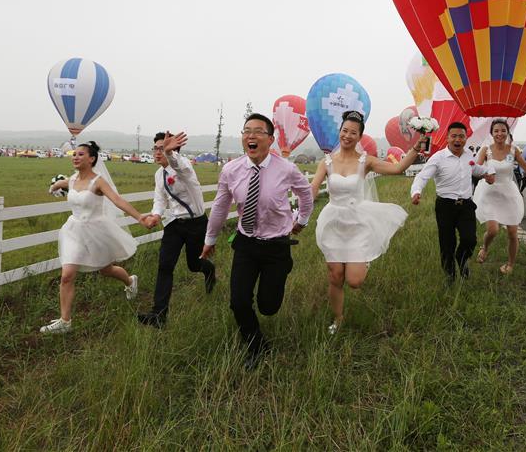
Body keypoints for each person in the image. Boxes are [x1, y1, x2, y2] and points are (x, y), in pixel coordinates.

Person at [201, 113, 313, 370]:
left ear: (270, 139)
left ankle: (281, 273)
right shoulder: (231, 170)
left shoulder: (286, 169)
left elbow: (305, 194)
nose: (250, 136)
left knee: (269, 306)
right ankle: (256, 346)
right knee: (238, 302)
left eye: (258, 131)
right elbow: (219, 206)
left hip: (277, 245)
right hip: (246, 243)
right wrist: (210, 238)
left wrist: (302, 220)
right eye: (246, 131)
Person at [309, 111, 428, 334]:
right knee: (335, 275)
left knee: (354, 281)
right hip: (333, 222)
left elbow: (398, 168)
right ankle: (338, 318)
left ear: (359, 136)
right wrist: (301, 204)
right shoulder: (326, 162)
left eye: (353, 132)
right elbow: (313, 188)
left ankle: (363, 259)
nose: (347, 135)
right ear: (339, 132)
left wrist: (416, 148)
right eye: (344, 131)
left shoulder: (366, 161)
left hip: (357, 222)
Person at [41, 141, 146, 334]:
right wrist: (54, 186)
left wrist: (139, 217)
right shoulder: (72, 180)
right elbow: (63, 183)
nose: (76, 157)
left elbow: (117, 200)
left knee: (106, 270)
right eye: (74, 154)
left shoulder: (98, 182)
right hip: (73, 231)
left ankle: (130, 281)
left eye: (81, 154)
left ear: (92, 159)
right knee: (67, 276)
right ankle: (65, 321)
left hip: (96, 232)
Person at [137, 131, 216, 328]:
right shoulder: (158, 174)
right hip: (174, 224)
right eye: (155, 148)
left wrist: (170, 153)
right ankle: (159, 315)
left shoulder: (185, 167)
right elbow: (160, 198)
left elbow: (177, 165)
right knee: (165, 266)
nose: (157, 152)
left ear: (173, 149)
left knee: (194, 265)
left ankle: (209, 270)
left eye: (160, 148)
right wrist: (156, 214)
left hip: (196, 224)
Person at [411, 122, 493, 283]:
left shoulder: (469, 155)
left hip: (466, 206)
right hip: (445, 206)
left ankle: (461, 258)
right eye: (454, 136)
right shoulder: (438, 157)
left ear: (465, 138)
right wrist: (416, 191)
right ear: (447, 138)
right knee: (447, 242)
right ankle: (450, 276)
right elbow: (422, 176)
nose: (457, 139)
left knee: (470, 240)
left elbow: (474, 168)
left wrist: (487, 174)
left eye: (461, 136)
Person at [473, 120, 526, 274]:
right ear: (492, 133)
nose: (499, 134)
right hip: (489, 193)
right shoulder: (486, 150)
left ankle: (510, 265)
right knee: (493, 230)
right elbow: (475, 169)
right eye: (496, 131)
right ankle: (485, 248)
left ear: (507, 132)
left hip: (508, 193)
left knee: (512, 232)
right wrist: (485, 175)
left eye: (503, 130)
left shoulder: (514, 150)